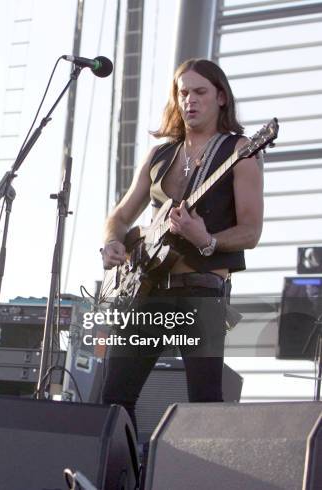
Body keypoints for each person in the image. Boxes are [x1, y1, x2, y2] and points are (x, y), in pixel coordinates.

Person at [100, 59, 263, 433]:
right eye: (183, 92)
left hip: (202, 290)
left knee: (205, 403)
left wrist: (206, 239)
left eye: (200, 92)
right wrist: (112, 241)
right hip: (146, 289)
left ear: (221, 97)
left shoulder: (241, 152)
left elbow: (251, 232)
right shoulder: (160, 154)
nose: (189, 100)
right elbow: (121, 214)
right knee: (113, 399)